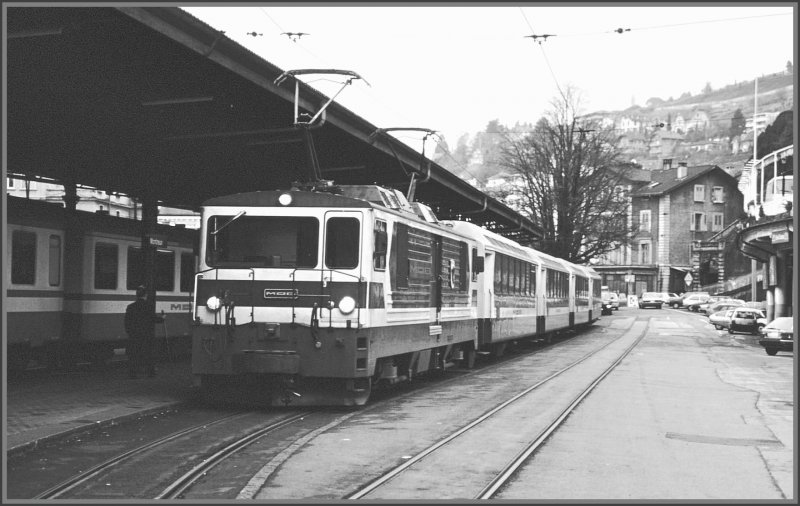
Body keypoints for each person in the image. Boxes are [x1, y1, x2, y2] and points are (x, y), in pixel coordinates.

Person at [124, 285, 163, 378]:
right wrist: (163, 318)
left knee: (134, 355)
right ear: (145, 295)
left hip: (134, 335)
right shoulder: (149, 306)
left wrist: (130, 332)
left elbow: (126, 322)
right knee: (149, 354)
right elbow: (154, 319)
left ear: (136, 295)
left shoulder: (130, 307)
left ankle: (133, 374)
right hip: (147, 335)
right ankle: (151, 373)